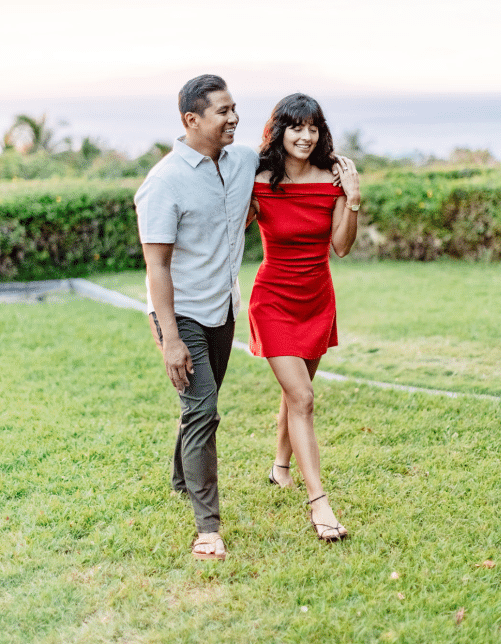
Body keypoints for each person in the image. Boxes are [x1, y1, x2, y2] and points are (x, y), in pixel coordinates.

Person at [135, 74, 259, 561]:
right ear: (192, 119)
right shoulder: (163, 182)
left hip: (223, 308)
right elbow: (157, 265)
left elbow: (286, 158)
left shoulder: (242, 160)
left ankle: (179, 480)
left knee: (198, 408)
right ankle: (208, 526)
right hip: (179, 312)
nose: (233, 118)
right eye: (223, 111)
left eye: (235, 109)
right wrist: (169, 338)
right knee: (203, 410)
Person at [248, 93, 361, 542]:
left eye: (313, 127)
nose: (306, 136)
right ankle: (320, 505)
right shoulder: (257, 179)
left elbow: (343, 246)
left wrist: (352, 199)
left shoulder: (333, 179)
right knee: (304, 397)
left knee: (296, 394)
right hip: (272, 298)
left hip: (316, 298)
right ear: (280, 130)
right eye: (296, 127)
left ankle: (280, 468)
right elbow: (232, 226)